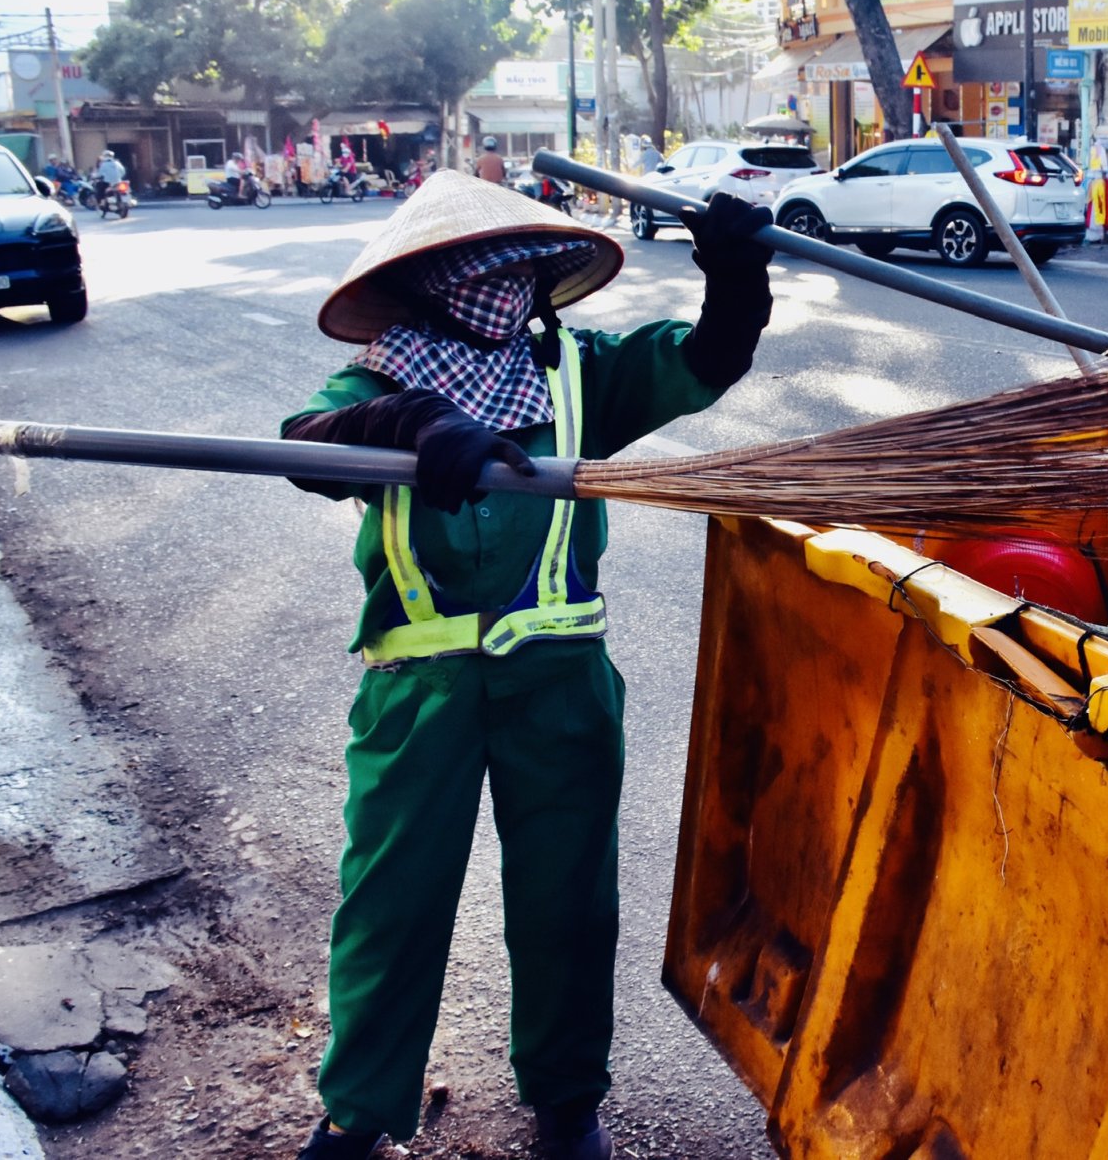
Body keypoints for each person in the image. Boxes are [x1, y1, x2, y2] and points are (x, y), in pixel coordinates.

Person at [281, 174, 778, 1160]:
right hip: (417, 697)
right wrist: (411, 426)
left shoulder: (577, 376)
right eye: (478, 272)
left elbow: (701, 361)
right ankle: (359, 1111)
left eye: (521, 272)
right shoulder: (377, 385)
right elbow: (306, 445)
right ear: (426, 283)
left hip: (561, 687)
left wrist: (734, 279)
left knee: (567, 903)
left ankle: (565, 1102)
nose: (502, 292)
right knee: (390, 904)